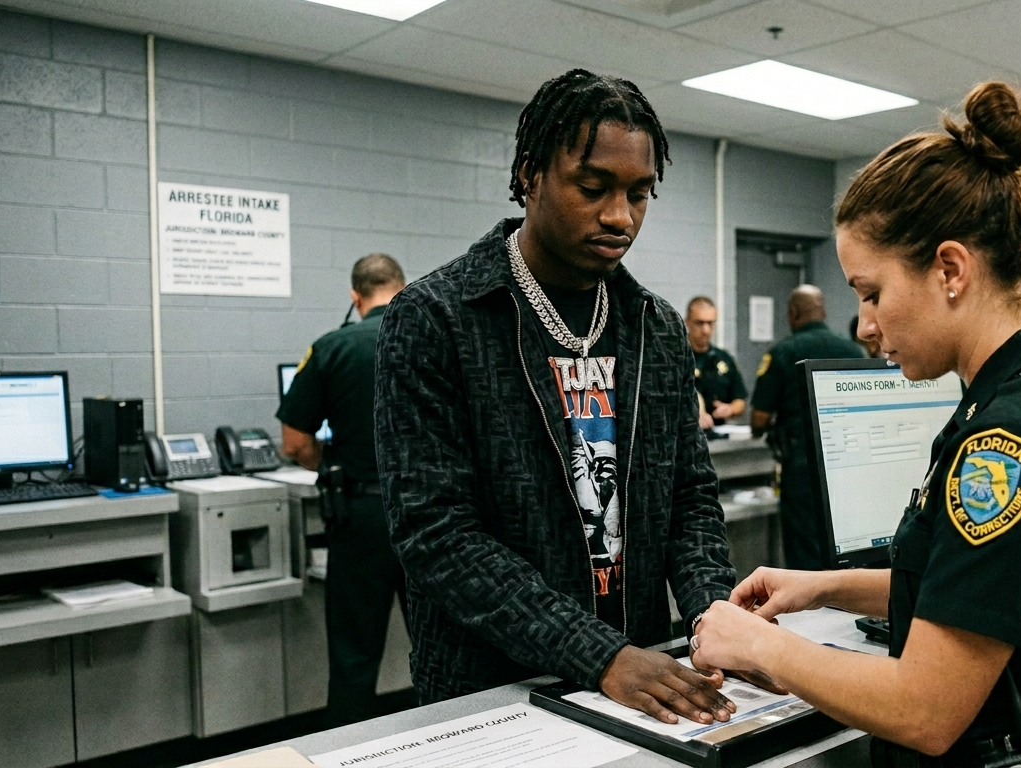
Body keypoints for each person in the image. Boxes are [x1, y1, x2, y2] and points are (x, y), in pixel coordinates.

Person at [691, 82, 1021, 767]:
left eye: (873, 293)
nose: (865, 327)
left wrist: (761, 645)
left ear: (950, 269)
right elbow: (979, 589)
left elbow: (926, 709)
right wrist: (822, 586)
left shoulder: (1012, 438)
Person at [374, 69, 739, 728]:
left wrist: (715, 619)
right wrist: (598, 654)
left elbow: (689, 497)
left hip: (639, 673)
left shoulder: (655, 326)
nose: (620, 216)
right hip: (496, 690)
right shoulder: (437, 317)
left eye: (639, 194)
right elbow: (436, 534)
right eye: (593, 188)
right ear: (530, 176)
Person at [278, 253, 409, 726]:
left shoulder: (331, 347)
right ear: (403, 287)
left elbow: (294, 443)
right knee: (440, 647)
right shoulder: (434, 337)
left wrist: (332, 462)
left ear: (355, 297)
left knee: (355, 655)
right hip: (432, 516)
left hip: (361, 516)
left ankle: (349, 750)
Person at [749, 285, 866, 570]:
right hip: (848, 465)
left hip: (801, 469)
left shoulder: (783, 352)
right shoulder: (853, 350)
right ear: (823, 311)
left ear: (793, 313)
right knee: (846, 546)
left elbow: (759, 419)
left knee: (805, 554)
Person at [685, 296, 747, 431]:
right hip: (685, 433)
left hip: (718, 431)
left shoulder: (724, 358)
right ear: (687, 322)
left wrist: (730, 409)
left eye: (710, 323)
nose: (706, 330)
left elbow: (740, 400)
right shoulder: (676, 357)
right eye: (699, 323)